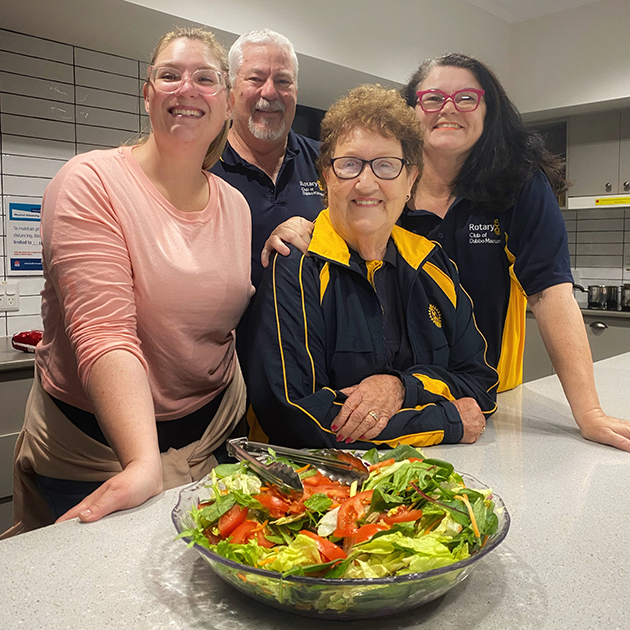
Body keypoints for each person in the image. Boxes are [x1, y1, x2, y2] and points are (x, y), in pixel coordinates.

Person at [265, 53, 630, 452]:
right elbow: (299, 411)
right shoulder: (316, 254)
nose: (449, 109)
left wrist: (589, 413)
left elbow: (550, 294)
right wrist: (305, 226)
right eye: (434, 98)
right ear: (413, 111)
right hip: (384, 433)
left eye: (467, 98)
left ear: (408, 176)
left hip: (473, 406)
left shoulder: (514, 188)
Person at [2, 27, 254, 536]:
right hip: (97, 454)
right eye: (169, 75)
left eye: (205, 79)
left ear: (227, 103)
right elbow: (104, 332)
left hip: (216, 437)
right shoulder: (89, 181)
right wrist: (143, 465)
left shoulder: (236, 205)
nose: (186, 89)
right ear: (147, 94)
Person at [246, 84, 498, 449]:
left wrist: (400, 387)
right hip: (313, 489)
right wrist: (444, 421)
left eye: (386, 166)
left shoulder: (431, 262)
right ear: (325, 177)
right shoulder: (295, 265)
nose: (366, 183)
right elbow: (296, 416)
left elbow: (479, 384)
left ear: (411, 179)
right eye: (349, 165)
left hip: (422, 484)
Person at [210, 28, 323, 290]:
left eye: (283, 81)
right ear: (231, 90)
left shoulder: (327, 162)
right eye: (256, 79)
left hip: (312, 327)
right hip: (229, 330)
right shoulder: (202, 165)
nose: (270, 92)